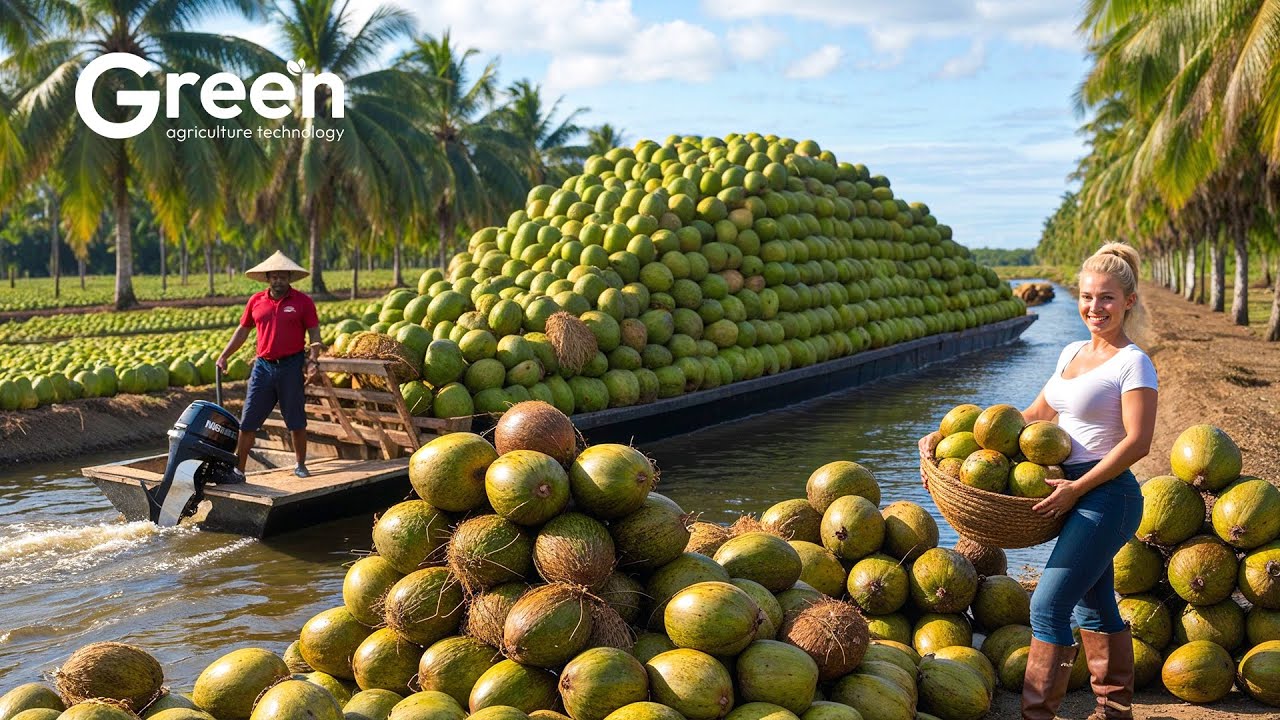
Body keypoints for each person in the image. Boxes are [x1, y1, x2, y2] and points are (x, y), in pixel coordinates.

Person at [1018, 243, 1158, 720]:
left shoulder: (1133, 362)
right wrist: (956, 427)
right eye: (1086, 297)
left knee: (1046, 606)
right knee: (1093, 609)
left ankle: (1037, 715)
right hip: (1070, 492)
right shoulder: (1071, 351)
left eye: (1106, 298)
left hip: (1106, 496)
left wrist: (1077, 489)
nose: (1094, 308)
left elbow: (1139, 442)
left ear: (1129, 302)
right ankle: (1115, 711)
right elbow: (1035, 415)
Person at [216, 251, 323, 478]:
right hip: (263, 367)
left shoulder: (303, 302)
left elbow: (314, 331)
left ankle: (301, 464)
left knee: (295, 420)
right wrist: (224, 355)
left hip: (291, 366)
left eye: (282, 277)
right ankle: (239, 468)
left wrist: (313, 359)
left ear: (289, 278)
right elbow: (243, 330)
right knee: (248, 421)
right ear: (267, 278)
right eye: (274, 277)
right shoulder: (256, 301)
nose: (278, 281)